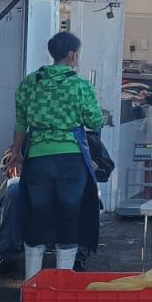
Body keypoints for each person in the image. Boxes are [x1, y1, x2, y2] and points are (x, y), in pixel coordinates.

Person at [10, 31, 106, 280]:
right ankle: (62, 286)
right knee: (68, 219)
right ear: (73, 55)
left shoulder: (30, 82)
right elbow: (94, 121)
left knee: (38, 217)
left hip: (38, 159)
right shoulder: (81, 85)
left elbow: (21, 122)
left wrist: (15, 153)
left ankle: (30, 286)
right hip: (71, 162)